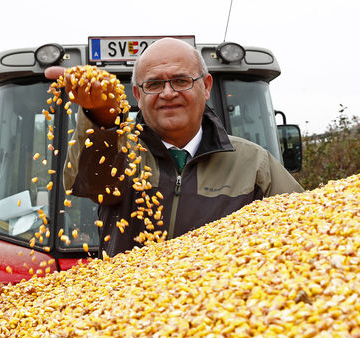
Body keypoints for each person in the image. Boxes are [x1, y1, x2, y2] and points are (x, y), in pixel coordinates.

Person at [45, 37, 303, 258]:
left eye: (181, 81)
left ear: (206, 87)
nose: (168, 93)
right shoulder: (120, 154)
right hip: (130, 311)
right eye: (154, 84)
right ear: (137, 94)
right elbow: (86, 181)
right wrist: (102, 119)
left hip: (224, 310)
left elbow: (302, 231)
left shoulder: (254, 164)